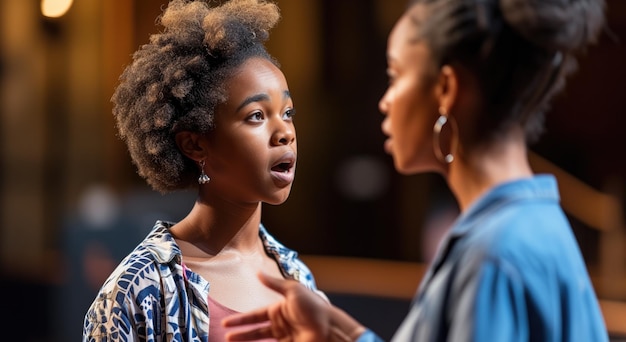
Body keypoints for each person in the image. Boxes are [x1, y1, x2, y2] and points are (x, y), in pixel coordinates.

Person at [222, 0, 609, 341]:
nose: (385, 102)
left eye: (395, 76)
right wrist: (342, 333)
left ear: (445, 89)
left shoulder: (494, 256)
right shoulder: (531, 223)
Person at [82, 0, 325, 340]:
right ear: (195, 145)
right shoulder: (138, 290)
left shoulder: (297, 278)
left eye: (287, 112)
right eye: (256, 115)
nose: (284, 132)